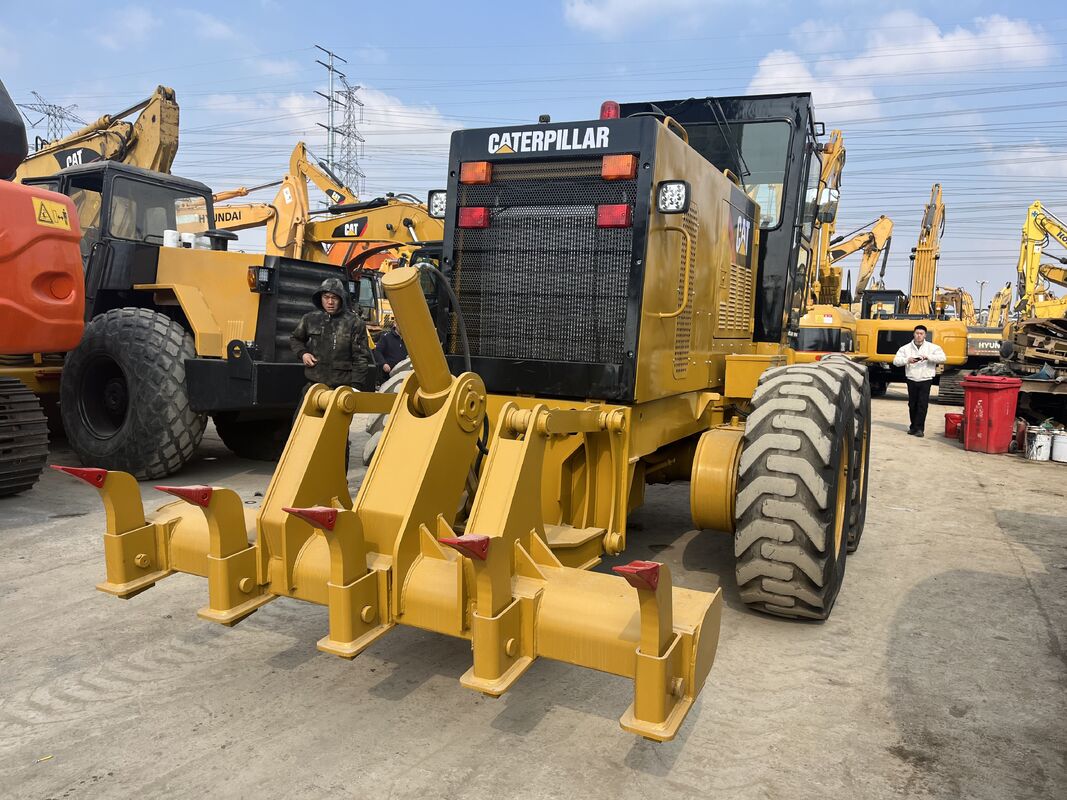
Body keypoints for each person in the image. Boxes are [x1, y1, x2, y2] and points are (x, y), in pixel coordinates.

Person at [290, 277, 370, 391]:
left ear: (341, 299)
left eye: (334, 298)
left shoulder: (355, 323)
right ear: (320, 298)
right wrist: (303, 353)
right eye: (326, 297)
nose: (330, 302)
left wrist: (356, 387)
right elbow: (295, 338)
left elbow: (361, 358)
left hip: (341, 389)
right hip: (314, 386)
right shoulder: (310, 319)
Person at [892, 324, 946, 437]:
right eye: (917, 333)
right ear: (913, 334)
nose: (919, 336)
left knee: (922, 404)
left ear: (925, 335)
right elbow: (896, 361)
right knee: (912, 404)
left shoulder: (932, 348)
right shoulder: (905, 348)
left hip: (926, 379)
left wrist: (928, 357)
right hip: (911, 378)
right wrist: (907, 360)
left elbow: (943, 358)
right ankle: (913, 427)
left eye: (921, 334)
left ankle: (920, 428)